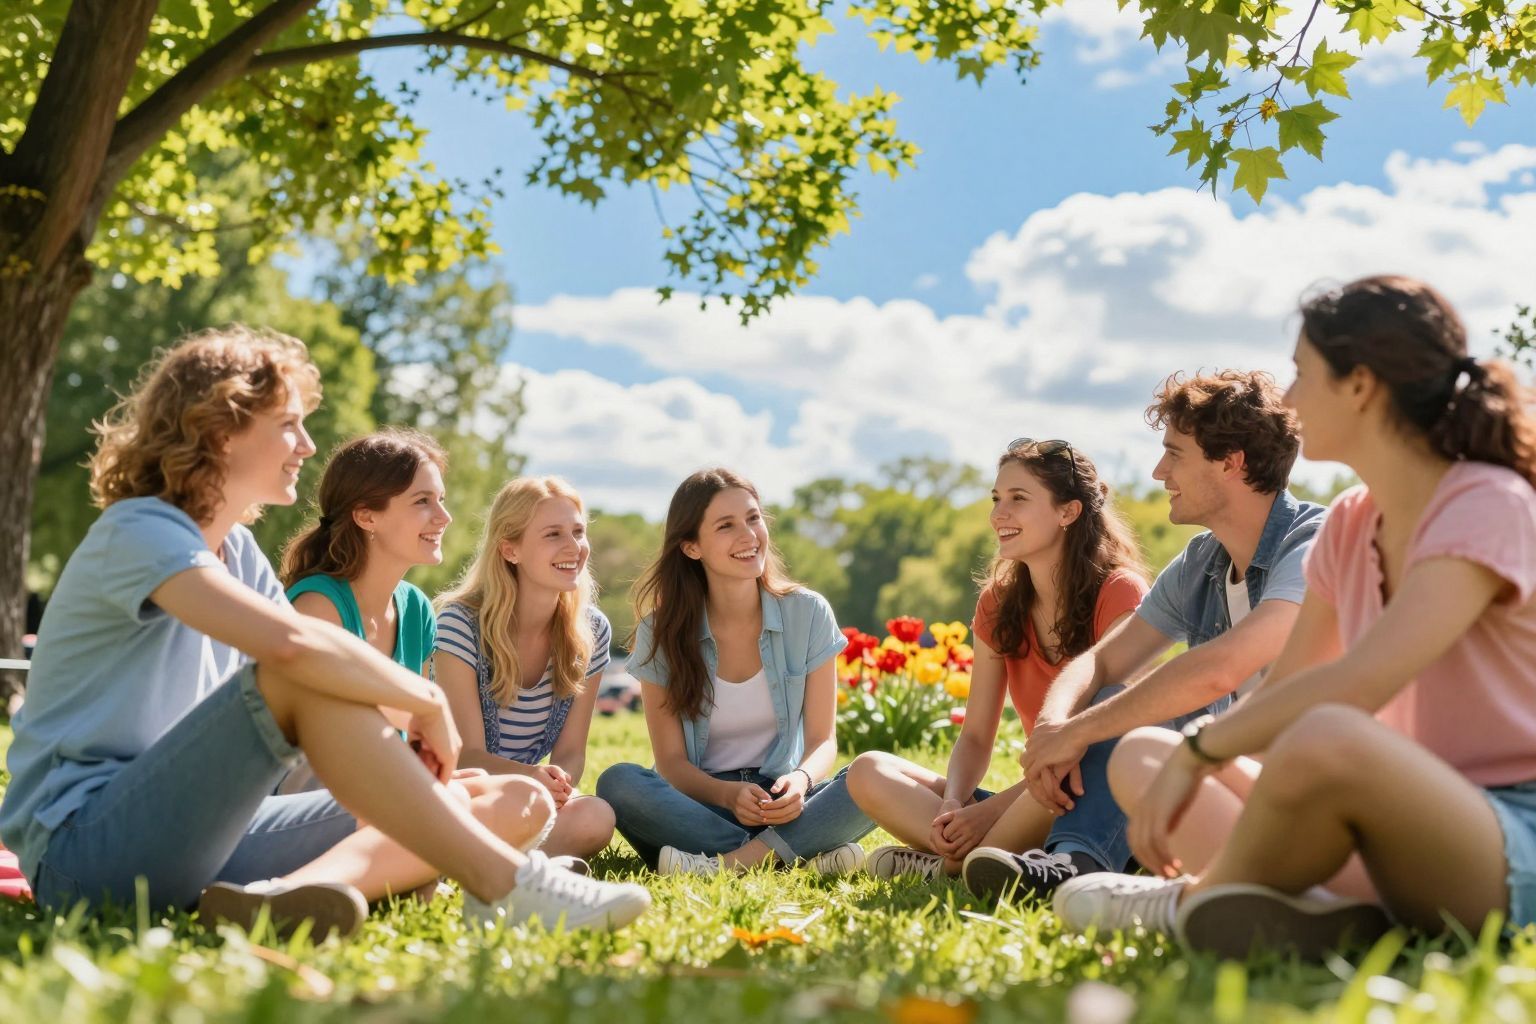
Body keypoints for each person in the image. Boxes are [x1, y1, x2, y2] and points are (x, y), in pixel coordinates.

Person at [0, 326, 649, 938]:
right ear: (221, 431)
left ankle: (280, 896)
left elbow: (325, 674)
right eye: (288, 425)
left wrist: (425, 762)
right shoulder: (139, 529)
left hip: (207, 839)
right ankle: (503, 883)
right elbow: (295, 651)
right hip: (84, 853)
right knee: (299, 674)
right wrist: (424, 700)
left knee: (510, 798)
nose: (307, 446)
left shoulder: (239, 552)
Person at [1054, 275, 1536, 960]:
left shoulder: (1486, 503)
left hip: (1507, 840)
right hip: (1389, 834)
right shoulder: (1349, 522)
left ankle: (1190, 901)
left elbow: (1359, 681)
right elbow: (1283, 689)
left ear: (1360, 385)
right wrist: (1190, 757)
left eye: (1304, 374)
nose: (1291, 398)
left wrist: (1202, 752)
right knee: (1143, 758)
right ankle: (1334, 918)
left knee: (1327, 733)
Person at [965, 372, 1324, 902]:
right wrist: (1055, 727)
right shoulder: (1202, 561)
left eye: (1174, 454)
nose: (1159, 472)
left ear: (1231, 462)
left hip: (1315, 798)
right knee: (1118, 703)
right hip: (1239, 789)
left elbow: (1220, 669)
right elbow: (1100, 662)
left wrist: (1079, 733)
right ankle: (1071, 863)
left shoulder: (1313, 544)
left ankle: (1045, 861)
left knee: (1149, 705)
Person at [845, 440, 1148, 883]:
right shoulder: (998, 603)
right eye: (996, 499)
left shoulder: (1120, 592)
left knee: (1071, 765)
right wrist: (953, 803)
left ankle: (951, 865)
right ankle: (971, 856)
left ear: (1068, 512)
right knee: (868, 770)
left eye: (1018, 499)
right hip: (1030, 799)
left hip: (1089, 796)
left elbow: (1103, 738)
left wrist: (986, 813)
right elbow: (975, 736)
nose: (998, 515)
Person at [596, 468, 873, 874]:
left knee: (872, 778)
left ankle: (728, 863)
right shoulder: (661, 632)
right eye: (726, 526)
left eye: (753, 518)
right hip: (702, 803)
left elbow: (822, 740)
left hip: (784, 800)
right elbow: (671, 762)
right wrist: (727, 795)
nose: (749, 536)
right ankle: (797, 853)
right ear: (692, 547)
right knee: (618, 782)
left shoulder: (808, 612)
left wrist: (801, 781)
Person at [433, 478, 618, 868]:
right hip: (458, 791)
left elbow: (571, 752)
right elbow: (465, 755)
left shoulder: (592, 630)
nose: (574, 547)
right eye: (553, 534)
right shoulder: (460, 623)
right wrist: (531, 777)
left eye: (578, 531)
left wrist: (557, 783)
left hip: (531, 795)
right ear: (509, 549)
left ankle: (487, 862)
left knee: (596, 816)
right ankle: (507, 864)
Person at [277, 429, 449, 798]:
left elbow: (416, 741)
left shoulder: (417, 609)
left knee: (520, 795)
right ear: (367, 516)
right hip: (315, 796)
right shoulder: (318, 607)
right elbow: (326, 744)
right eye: (423, 501)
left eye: (441, 500)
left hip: (393, 784)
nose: (444, 517)